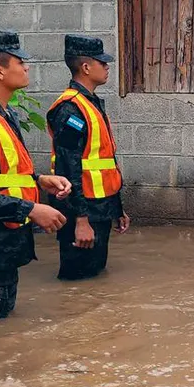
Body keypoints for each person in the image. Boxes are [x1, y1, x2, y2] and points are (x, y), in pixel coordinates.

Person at [0, 27, 72, 325]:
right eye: (19, 62)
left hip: (5, 247)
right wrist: (31, 209)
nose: (26, 67)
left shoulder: (3, 114)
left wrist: (38, 181)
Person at [46, 35, 130, 281]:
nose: (107, 67)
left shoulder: (90, 103)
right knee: (78, 281)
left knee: (95, 278)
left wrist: (118, 209)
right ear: (85, 67)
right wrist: (80, 220)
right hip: (83, 210)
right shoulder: (69, 109)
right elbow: (68, 168)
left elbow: (105, 163)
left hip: (101, 207)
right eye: (101, 63)